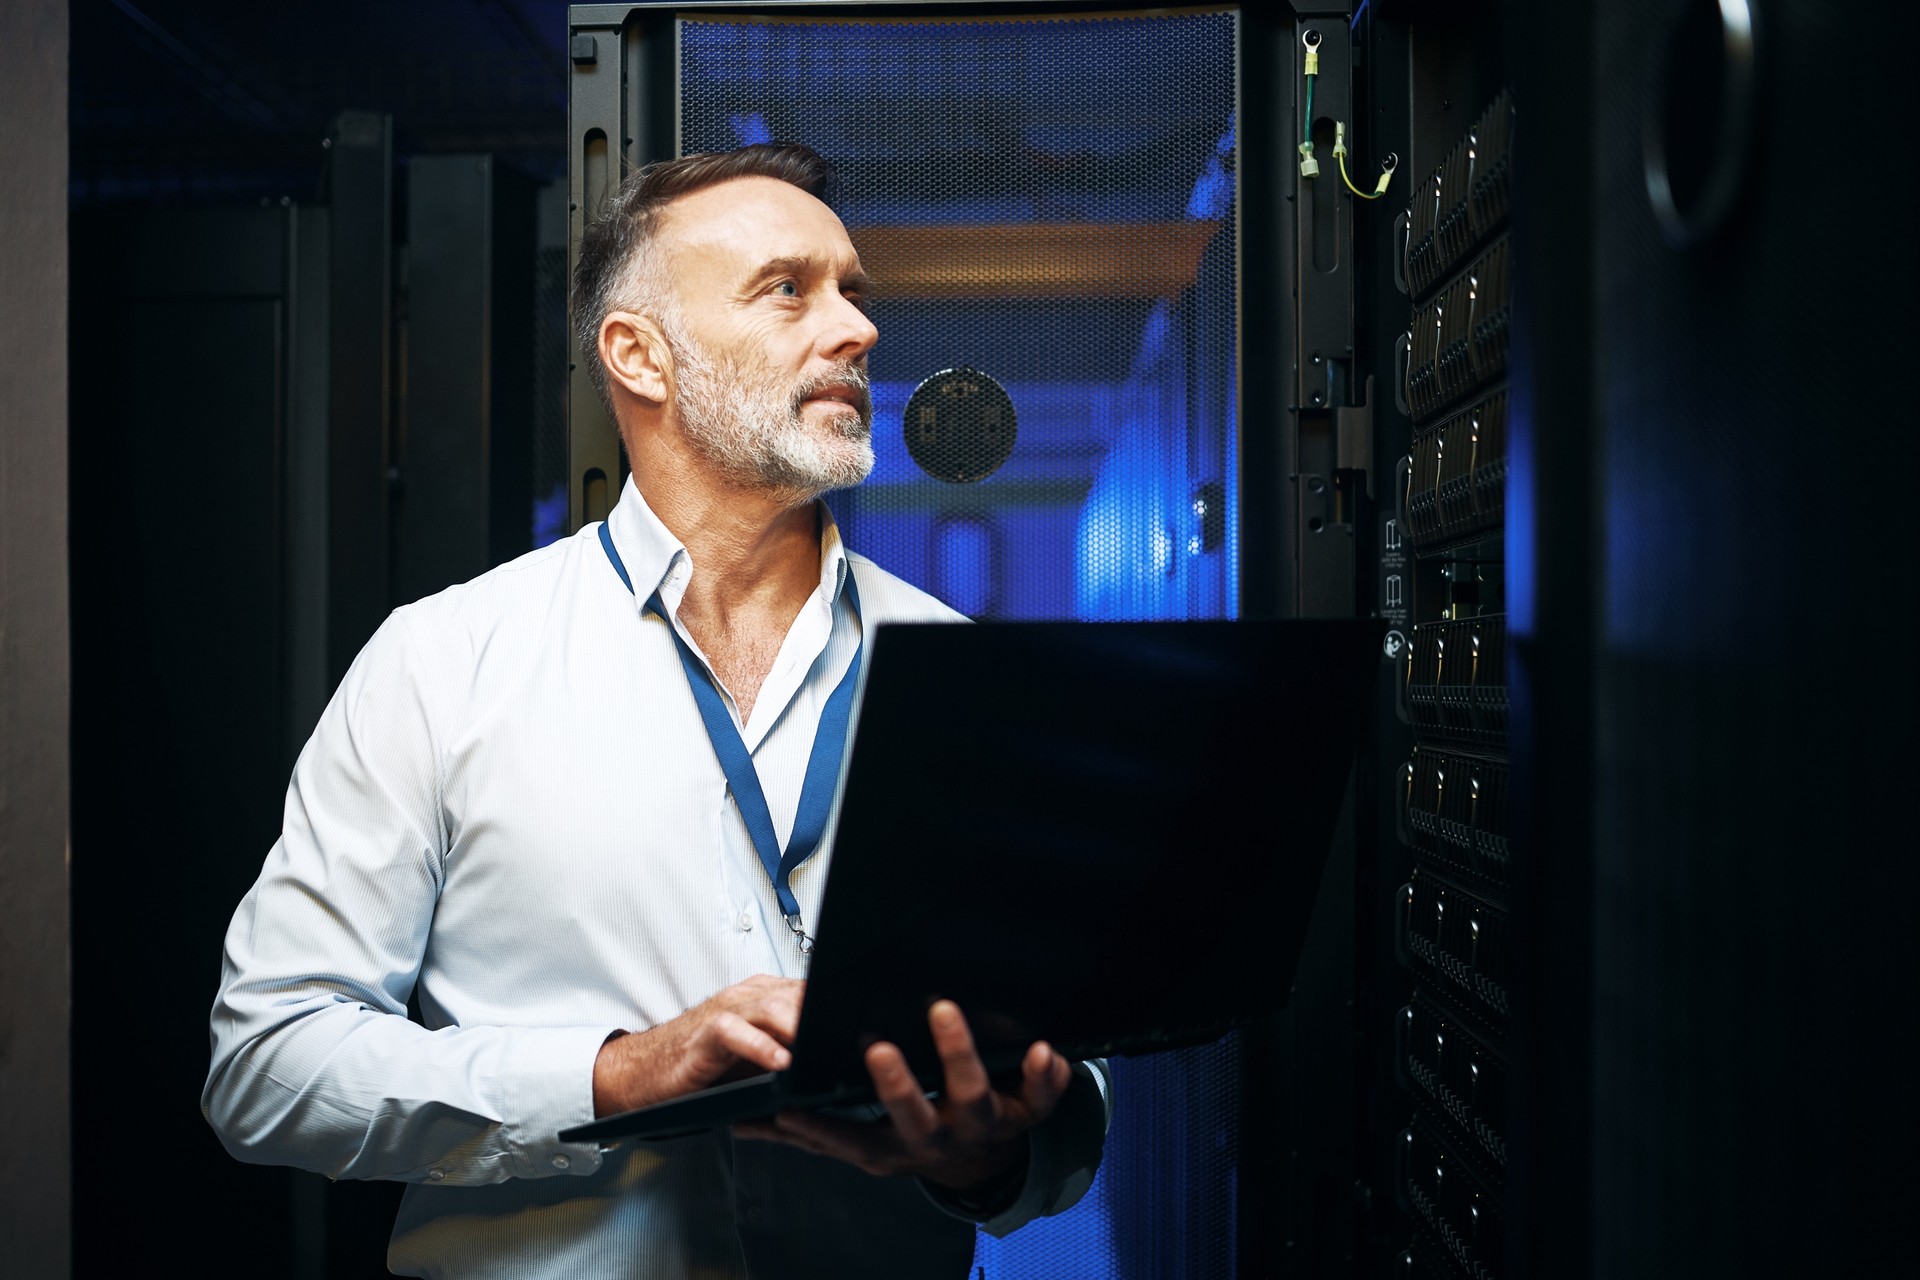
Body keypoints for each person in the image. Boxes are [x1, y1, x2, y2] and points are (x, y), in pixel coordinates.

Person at [201, 143, 1110, 1279]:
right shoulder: (444, 664)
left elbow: (1069, 1062)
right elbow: (267, 1063)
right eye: (790, 288)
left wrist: (988, 1154)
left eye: (854, 293)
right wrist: (612, 1075)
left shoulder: (968, 679)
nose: (859, 330)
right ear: (641, 354)